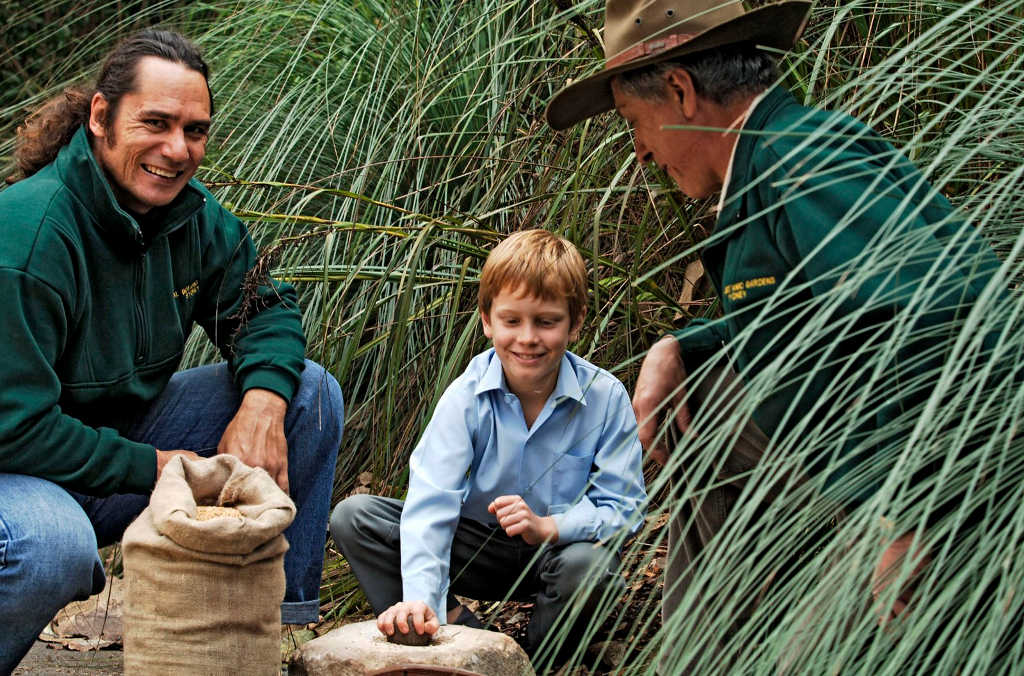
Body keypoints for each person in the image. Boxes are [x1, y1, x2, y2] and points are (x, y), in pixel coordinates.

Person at [545, 0, 1007, 666]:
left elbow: (922, 321)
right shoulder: (761, 166)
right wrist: (682, 346)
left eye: (634, 124)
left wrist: (910, 518)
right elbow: (792, 320)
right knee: (699, 398)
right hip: (851, 473)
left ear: (680, 90)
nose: (640, 153)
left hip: (945, 484)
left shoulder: (804, 158)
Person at [0, 29, 343, 672]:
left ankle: (274, 636)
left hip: (110, 452)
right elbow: (13, 430)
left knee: (310, 394)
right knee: (53, 545)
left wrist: (263, 404)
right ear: (101, 117)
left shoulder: (193, 216)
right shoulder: (28, 236)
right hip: (17, 474)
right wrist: (157, 467)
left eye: (195, 130)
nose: (176, 150)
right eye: (155, 123)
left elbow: (264, 305)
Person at [330, 229, 646, 661]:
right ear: (487, 320)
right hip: (476, 545)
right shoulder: (466, 397)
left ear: (575, 322)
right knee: (356, 518)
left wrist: (550, 527)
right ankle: (450, 629)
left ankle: (535, 657)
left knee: (591, 570)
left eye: (547, 321)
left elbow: (624, 505)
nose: (527, 338)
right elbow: (431, 499)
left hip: (553, 552)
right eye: (512, 321)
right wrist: (422, 596)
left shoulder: (605, 397)